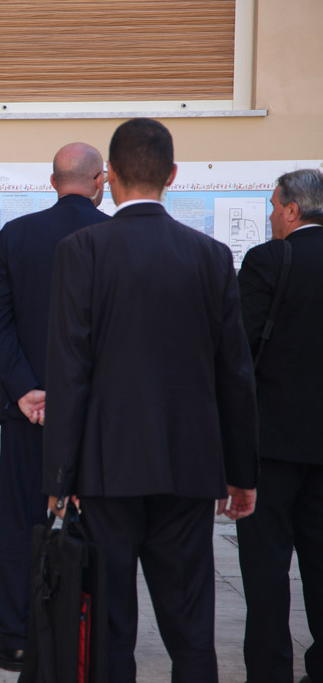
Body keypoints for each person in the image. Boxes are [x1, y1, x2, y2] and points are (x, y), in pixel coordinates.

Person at [43, 118, 258, 682]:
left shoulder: (81, 250)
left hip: (107, 467)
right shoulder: (210, 256)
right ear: (173, 175)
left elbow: (69, 371)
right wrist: (242, 472)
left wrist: (58, 479)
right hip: (189, 466)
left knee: (112, 622)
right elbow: (235, 372)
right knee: (191, 625)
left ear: (108, 176)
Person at [0, 142, 108, 672]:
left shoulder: (16, 236)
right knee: (100, 524)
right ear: (100, 181)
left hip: (27, 412)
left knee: (20, 521)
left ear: (52, 182)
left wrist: (26, 389)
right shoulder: (111, 239)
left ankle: (17, 636)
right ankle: (88, 636)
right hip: (99, 415)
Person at [236, 168, 323, 683]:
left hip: (272, 443)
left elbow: (240, 349)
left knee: (266, 568)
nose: (271, 215)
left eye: (273, 206)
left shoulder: (269, 260)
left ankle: (269, 671)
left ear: (293, 210)